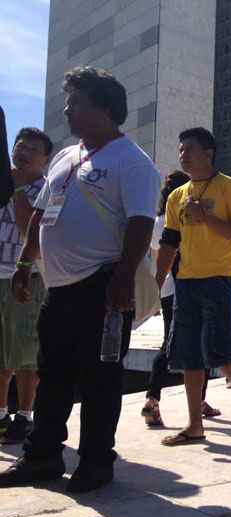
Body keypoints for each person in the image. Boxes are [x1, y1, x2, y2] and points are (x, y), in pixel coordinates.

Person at [0, 67, 160, 492]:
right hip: (58, 288)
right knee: (53, 373)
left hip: (104, 286)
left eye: (76, 102)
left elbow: (142, 224)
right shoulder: (67, 157)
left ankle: (95, 463)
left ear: (103, 107)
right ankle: (44, 457)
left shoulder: (132, 162)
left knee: (100, 379)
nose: (66, 110)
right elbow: (41, 214)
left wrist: (123, 279)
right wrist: (23, 265)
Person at [157, 127, 231, 446]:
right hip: (186, 282)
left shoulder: (230, 187)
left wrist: (207, 219)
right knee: (188, 354)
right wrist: (156, 281)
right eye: (180, 149)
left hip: (219, 279)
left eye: (189, 148)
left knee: (220, 347)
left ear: (208, 152)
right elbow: (169, 242)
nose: (182, 153)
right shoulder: (177, 195)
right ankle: (194, 426)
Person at [140, 171, 220, 427]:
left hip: (165, 289)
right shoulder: (184, 217)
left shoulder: (156, 222)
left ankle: (152, 400)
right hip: (190, 285)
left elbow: (156, 252)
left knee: (169, 342)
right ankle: (199, 401)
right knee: (202, 344)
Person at [0, 128, 52, 444]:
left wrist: (19, 189)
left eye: (33, 148)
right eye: (20, 144)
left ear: (45, 160)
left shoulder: (45, 190)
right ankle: (2, 415)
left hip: (26, 278)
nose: (23, 151)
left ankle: (24, 417)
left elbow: (27, 229)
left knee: (25, 352)